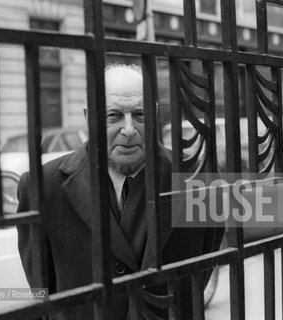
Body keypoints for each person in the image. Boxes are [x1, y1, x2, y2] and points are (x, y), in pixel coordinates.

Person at [17, 64, 223, 319]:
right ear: (89, 117)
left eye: (139, 114)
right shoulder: (41, 187)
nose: (128, 129)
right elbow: (41, 289)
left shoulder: (197, 179)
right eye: (113, 115)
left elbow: (204, 264)